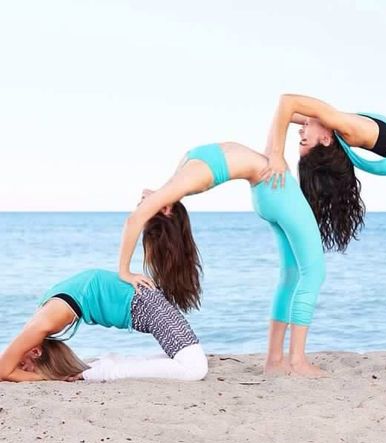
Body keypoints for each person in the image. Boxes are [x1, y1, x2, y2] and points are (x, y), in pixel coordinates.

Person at [262, 94, 386, 374]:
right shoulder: (344, 128)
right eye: (303, 137)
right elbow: (290, 107)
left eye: (303, 134)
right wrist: (278, 150)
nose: (301, 129)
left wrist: (274, 153)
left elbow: (287, 107)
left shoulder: (341, 127)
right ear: (325, 139)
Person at [119, 142, 326, 377]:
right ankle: (297, 361)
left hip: (265, 192)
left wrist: (151, 200)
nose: (142, 203)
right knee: (313, 273)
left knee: (291, 276)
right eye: (146, 209)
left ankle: (275, 361)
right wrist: (124, 271)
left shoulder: (176, 184)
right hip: (277, 188)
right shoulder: (183, 181)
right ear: (166, 210)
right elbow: (133, 220)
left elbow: (147, 194)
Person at [0, 204, 208, 382]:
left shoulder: (41, 324)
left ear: (35, 351)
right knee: (188, 361)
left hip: (141, 302)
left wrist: (50, 378)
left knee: (194, 369)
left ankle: (105, 370)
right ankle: (108, 365)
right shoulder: (42, 316)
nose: (22, 369)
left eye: (23, 366)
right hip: (140, 301)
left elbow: (3, 371)